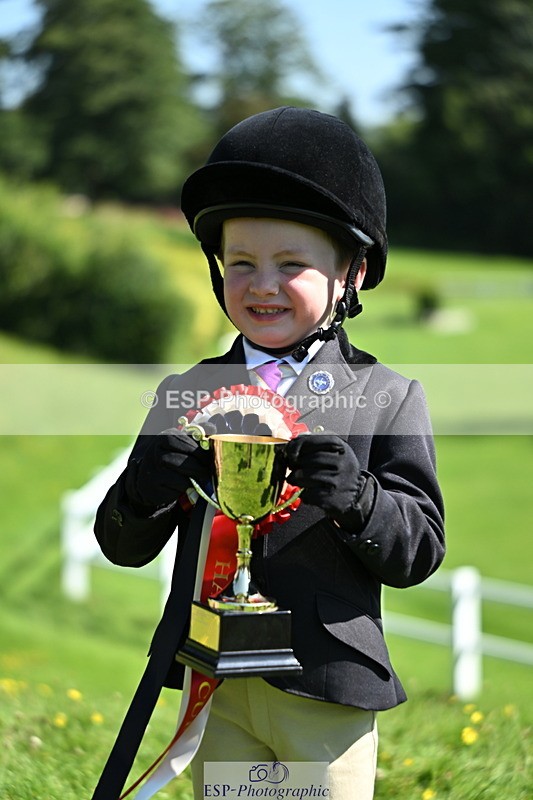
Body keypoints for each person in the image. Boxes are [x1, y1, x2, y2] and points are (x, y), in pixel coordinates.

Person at [92, 107, 445, 800]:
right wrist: (145, 488)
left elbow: (419, 551)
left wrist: (358, 499)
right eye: (241, 263)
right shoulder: (185, 392)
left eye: (291, 265)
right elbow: (121, 544)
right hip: (215, 682)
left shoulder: (387, 396)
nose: (259, 285)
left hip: (327, 690)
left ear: (351, 272)